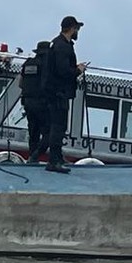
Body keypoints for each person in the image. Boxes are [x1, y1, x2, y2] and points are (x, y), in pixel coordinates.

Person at [43, 16, 88, 174]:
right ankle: (54, 161)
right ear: (71, 28)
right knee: (58, 126)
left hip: (56, 91)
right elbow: (62, 71)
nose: (77, 32)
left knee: (59, 126)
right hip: (58, 92)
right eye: (77, 29)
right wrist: (78, 70)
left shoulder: (58, 44)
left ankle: (57, 157)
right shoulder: (63, 46)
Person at [20, 40, 52, 164]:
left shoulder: (28, 63)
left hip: (27, 102)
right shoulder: (47, 65)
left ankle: (32, 159)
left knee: (33, 132)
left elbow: (20, 83)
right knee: (48, 133)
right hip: (42, 102)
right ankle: (35, 156)